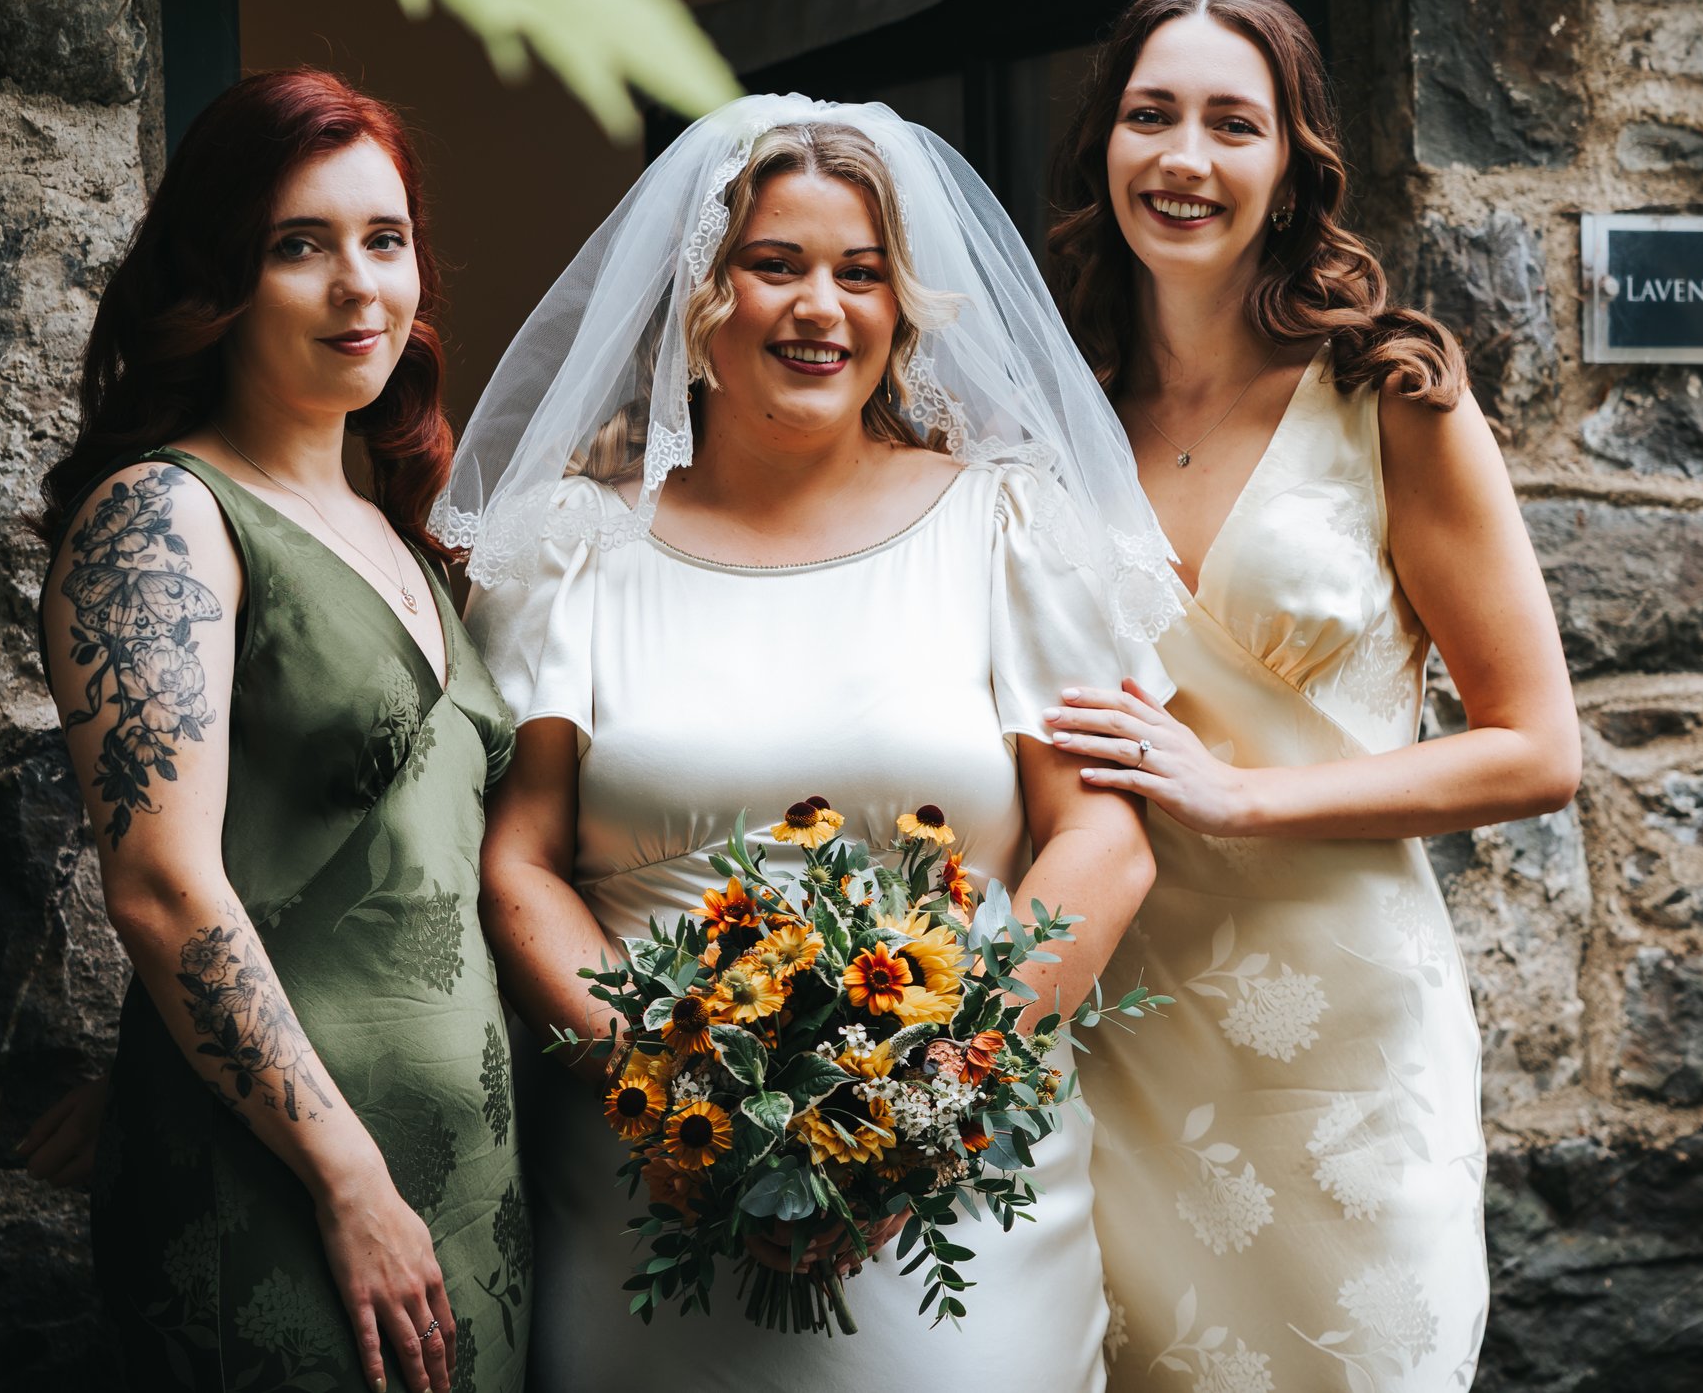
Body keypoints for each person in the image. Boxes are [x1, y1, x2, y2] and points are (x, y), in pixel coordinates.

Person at [450, 96, 1180, 1391]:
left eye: (861, 273)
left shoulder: (1009, 528)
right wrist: (675, 1098)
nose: (820, 309)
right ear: (696, 293)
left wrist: (928, 1106)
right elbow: (519, 865)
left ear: (907, 306)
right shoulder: (576, 549)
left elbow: (1102, 843)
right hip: (649, 1192)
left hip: (956, 1186)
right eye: (773, 265)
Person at [1043, 0, 1580, 1391]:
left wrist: (1241, 796)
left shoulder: (1390, 393)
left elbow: (1537, 749)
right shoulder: (1047, 416)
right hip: (1123, 1027)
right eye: (1150, 115)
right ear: (1105, 143)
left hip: (1342, 1038)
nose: (1185, 159)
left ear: (1292, 166)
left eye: (1234, 123)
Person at [35, 69, 527, 1393]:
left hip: (468, 1195)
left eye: (386, 239)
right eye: (300, 246)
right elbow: (160, 882)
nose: (359, 285)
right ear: (218, 275)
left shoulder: (401, 541)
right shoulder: (163, 516)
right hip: (293, 1197)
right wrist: (345, 1175)